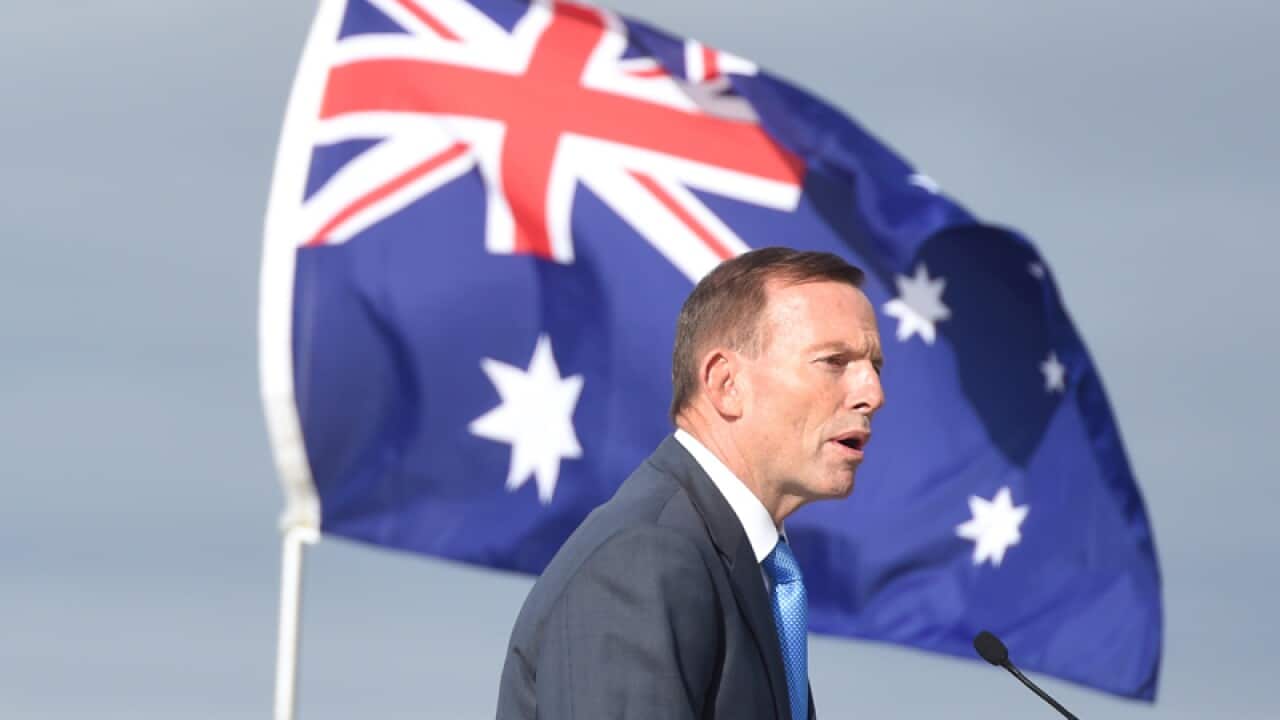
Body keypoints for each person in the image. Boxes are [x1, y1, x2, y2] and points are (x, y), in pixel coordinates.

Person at [496, 247, 886, 719]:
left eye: (874, 367)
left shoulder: (743, 565)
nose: (873, 394)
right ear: (726, 383)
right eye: (834, 361)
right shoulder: (646, 557)